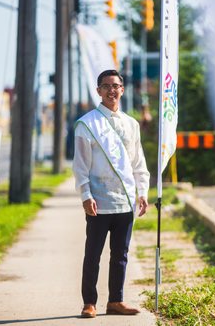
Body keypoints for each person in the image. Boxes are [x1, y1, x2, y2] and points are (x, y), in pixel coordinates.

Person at [72, 69, 150, 318]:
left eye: (116, 86)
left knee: (121, 255)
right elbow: (80, 166)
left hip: (125, 201)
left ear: (122, 90)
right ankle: (89, 303)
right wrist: (85, 195)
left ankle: (116, 301)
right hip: (98, 201)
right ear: (98, 91)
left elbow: (138, 162)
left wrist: (143, 192)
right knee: (92, 254)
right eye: (106, 86)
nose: (111, 90)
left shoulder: (132, 124)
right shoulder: (87, 124)